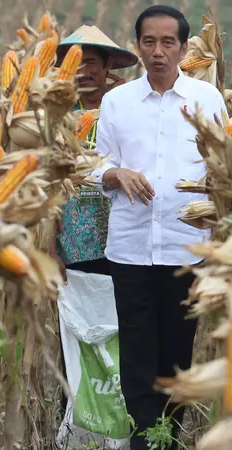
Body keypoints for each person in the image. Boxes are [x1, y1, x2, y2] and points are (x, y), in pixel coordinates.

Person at [91, 5, 227, 449]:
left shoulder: (207, 101)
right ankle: (144, 442)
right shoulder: (117, 102)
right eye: (149, 41)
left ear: (185, 48)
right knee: (136, 358)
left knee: (176, 358)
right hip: (130, 250)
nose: (158, 51)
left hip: (187, 249)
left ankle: (166, 439)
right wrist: (116, 175)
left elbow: (226, 170)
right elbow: (97, 165)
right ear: (138, 46)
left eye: (169, 42)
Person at [54, 25, 138, 275]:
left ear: (107, 66)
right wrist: (48, 249)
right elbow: (46, 180)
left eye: (90, 62)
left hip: (120, 234)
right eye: (75, 62)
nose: (83, 70)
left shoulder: (128, 110)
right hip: (70, 238)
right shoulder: (57, 115)